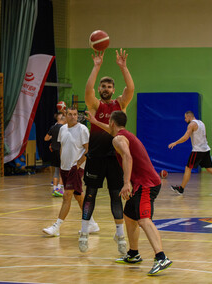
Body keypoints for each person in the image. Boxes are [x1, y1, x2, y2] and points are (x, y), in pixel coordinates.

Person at [87, 110, 172, 276]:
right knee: (129, 216)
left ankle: (161, 257)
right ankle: (133, 254)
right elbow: (112, 132)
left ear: (112, 123)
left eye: (108, 123)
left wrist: (126, 183)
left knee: (144, 220)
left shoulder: (118, 139)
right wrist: (95, 122)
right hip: (142, 183)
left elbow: (127, 156)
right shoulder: (122, 134)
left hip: (146, 184)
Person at [79, 49, 134, 254]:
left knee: (115, 196)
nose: (105, 88)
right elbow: (88, 89)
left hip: (115, 158)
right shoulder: (95, 105)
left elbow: (131, 87)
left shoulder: (121, 103)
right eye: (103, 85)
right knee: (90, 194)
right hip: (95, 156)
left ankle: (120, 236)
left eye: (109, 86)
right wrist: (96, 66)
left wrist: (123, 67)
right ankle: (84, 232)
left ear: (113, 89)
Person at [43, 107, 99, 237]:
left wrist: (79, 163)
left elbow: (88, 149)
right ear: (65, 115)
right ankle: (92, 223)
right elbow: (63, 147)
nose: (73, 116)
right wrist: (62, 164)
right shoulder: (62, 129)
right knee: (79, 197)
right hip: (65, 167)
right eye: (70, 114)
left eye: (75, 114)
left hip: (76, 167)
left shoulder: (82, 129)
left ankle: (56, 227)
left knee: (66, 195)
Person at [168, 111, 212, 194]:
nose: (185, 119)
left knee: (188, 168)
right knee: (209, 169)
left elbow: (186, 137)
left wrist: (175, 143)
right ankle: (181, 188)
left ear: (189, 117)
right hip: (205, 149)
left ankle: (181, 189)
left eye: (185, 117)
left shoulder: (191, 124)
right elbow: (205, 136)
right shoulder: (201, 123)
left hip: (198, 150)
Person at [44, 112, 66, 197]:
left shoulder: (53, 127)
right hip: (61, 151)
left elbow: (46, 138)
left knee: (56, 171)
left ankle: (54, 189)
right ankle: (59, 189)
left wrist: (53, 137)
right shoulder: (64, 128)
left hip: (54, 151)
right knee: (63, 171)